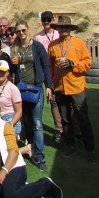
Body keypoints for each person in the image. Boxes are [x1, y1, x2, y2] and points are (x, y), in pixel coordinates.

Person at [0, 96, 63, 198]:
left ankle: (46, 184)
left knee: (9, 196)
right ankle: (24, 189)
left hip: (14, 167)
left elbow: (14, 152)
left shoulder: (5, 126)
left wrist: (4, 171)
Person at [48, 16, 96, 164]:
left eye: (66, 27)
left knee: (83, 118)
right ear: (57, 29)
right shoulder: (52, 45)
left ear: (70, 29)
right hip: (60, 87)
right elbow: (50, 67)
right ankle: (70, 145)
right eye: (61, 27)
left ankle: (90, 150)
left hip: (76, 86)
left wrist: (72, 64)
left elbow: (87, 62)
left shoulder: (78, 43)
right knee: (65, 119)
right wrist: (50, 85)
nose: (63, 29)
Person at [10, 20, 53, 172]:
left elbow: (46, 66)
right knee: (26, 121)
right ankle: (30, 148)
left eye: (23, 30)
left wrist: (49, 86)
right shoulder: (14, 48)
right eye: (18, 31)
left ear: (27, 29)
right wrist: (14, 64)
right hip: (20, 89)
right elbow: (14, 71)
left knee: (37, 123)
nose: (21, 33)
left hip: (35, 88)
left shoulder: (37, 46)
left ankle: (40, 156)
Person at [33, 11, 63, 142]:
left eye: (48, 20)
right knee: (51, 99)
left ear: (52, 20)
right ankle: (59, 128)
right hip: (44, 70)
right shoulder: (38, 37)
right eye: (44, 20)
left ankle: (68, 127)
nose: (46, 22)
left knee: (62, 99)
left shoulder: (58, 33)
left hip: (58, 69)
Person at [0, 60, 22, 137]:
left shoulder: (13, 88)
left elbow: (19, 111)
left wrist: (10, 125)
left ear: (7, 72)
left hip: (9, 119)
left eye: (3, 71)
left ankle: (27, 148)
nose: (0, 74)